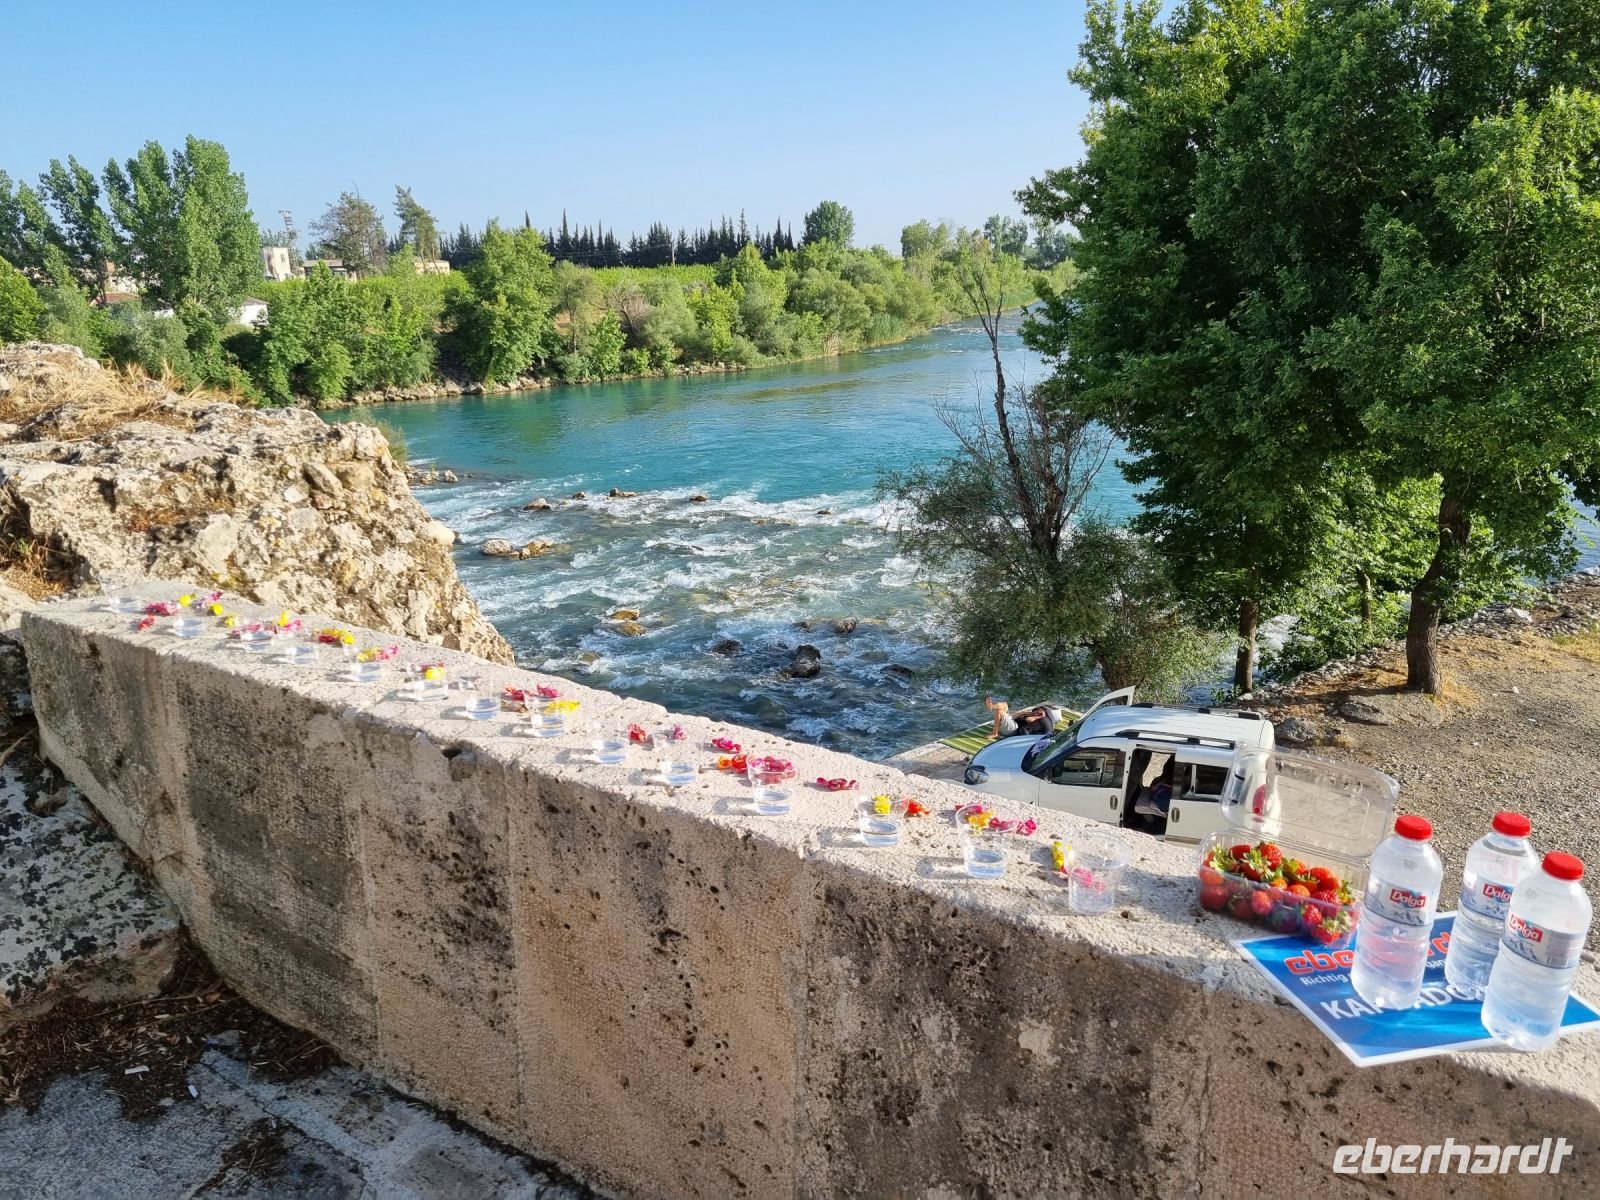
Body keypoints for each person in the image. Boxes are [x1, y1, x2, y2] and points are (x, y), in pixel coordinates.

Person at [984, 697, 1064, 740]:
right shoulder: (1033, 715)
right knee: (1004, 704)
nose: (1036, 712)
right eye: (1036, 711)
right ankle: (992, 706)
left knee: (999, 711)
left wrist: (1038, 715)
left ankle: (995, 733)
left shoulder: (1039, 718)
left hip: (1012, 728)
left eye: (1039, 712)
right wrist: (1028, 713)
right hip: (1012, 722)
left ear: (1044, 713)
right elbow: (1015, 715)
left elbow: (1028, 720)